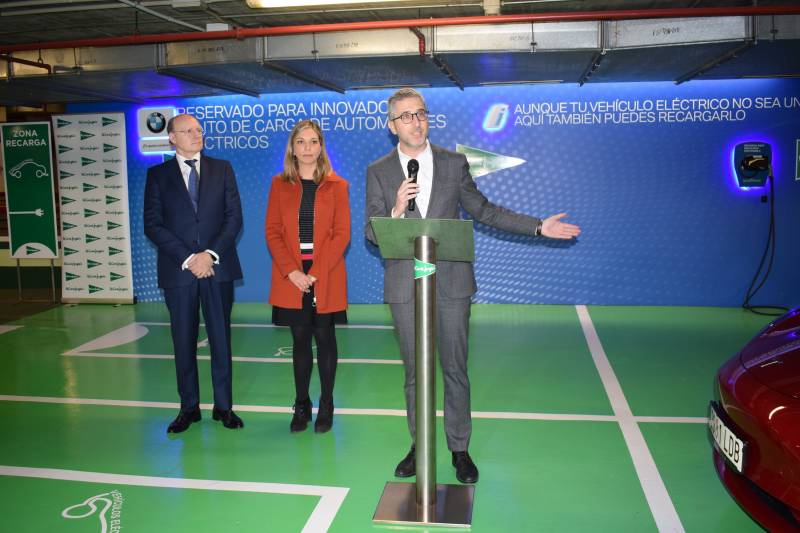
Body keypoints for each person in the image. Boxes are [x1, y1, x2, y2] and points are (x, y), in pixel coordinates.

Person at [365, 88, 581, 484]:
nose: (416, 122)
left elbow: (484, 210)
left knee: (454, 368)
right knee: (415, 373)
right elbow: (372, 232)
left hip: (450, 283)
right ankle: (420, 444)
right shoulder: (378, 171)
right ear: (391, 125)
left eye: (421, 114)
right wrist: (396, 208)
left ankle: (459, 449)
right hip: (404, 284)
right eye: (407, 116)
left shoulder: (452, 163)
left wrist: (537, 226)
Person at [144, 113, 244, 434]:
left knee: (220, 339)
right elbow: (153, 224)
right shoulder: (157, 175)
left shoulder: (223, 168)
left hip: (218, 267)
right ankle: (189, 408)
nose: (195, 135)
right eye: (187, 131)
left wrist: (209, 255)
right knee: (183, 341)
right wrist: (190, 258)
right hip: (179, 271)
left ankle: (224, 407)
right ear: (172, 137)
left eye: (199, 130)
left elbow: (233, 218)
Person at [265, 120, 350, 433]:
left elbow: (341, 235)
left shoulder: (338, 185)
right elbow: (273, 232)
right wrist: (293, 272)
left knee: (325, 338)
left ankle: (326, 403)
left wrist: (314, 273)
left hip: (325, 274)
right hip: (292, 275)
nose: (307, 148)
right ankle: (302, 404)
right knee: (300, 339)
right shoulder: (279, 184)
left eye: (313, 142)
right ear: (292, 148)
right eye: (301, 142)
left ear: (321, 147)